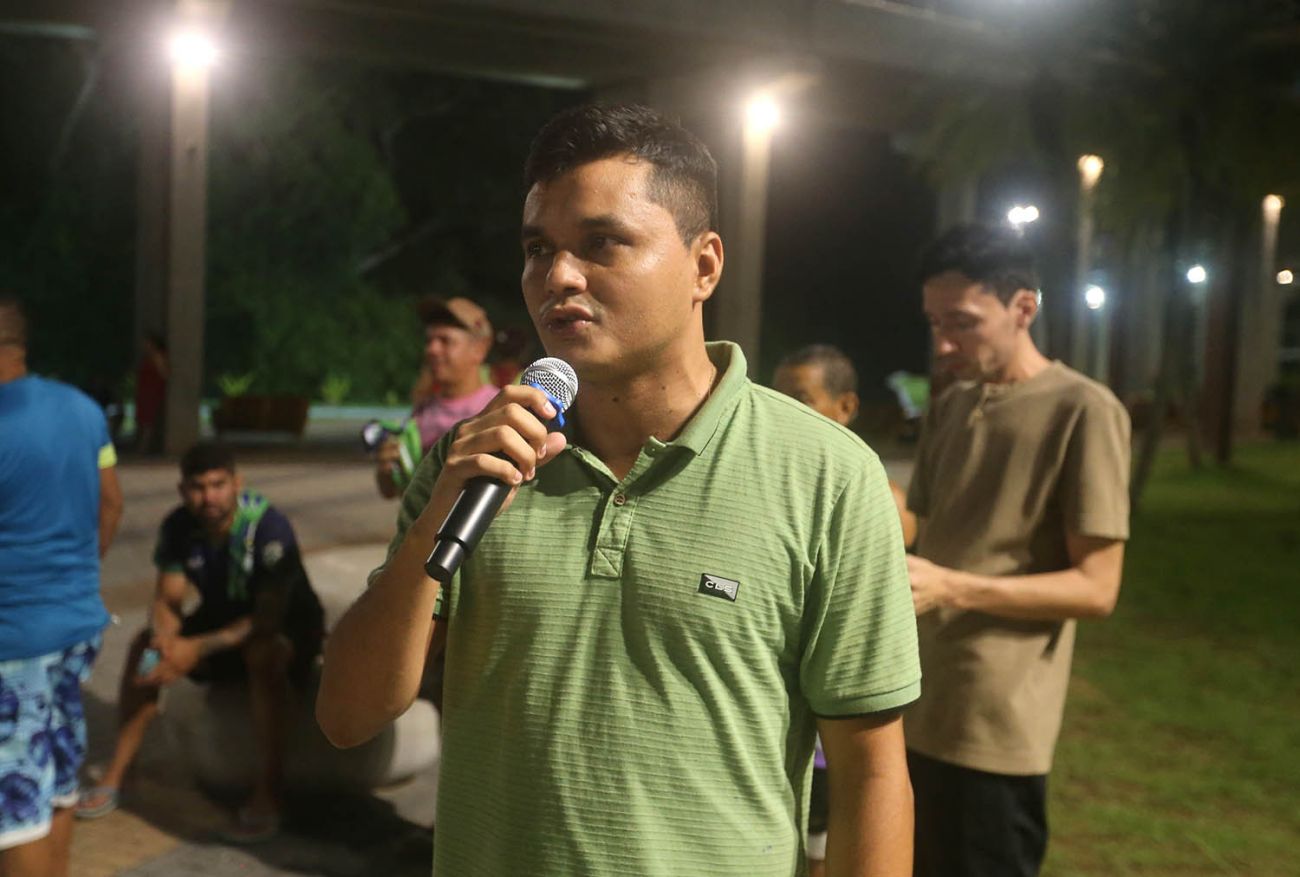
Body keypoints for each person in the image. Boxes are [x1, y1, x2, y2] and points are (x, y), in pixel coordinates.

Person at [319, 103, 921, 877]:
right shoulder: (473, 463)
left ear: (704, 265)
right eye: (538, 249)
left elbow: (872, 774)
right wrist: (433, 521)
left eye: (602, 243)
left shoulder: (830, 477)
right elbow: (348, 715)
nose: (558, 277)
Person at [904, 224, 1131, 877]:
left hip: (994, 730)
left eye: (963, 322)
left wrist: (952, 586)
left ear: (1023, 308)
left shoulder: (1083, 409)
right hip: (912, 704)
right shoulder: (952, 404)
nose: (944, 343)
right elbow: (923, 528)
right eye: (935, 322)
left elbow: (1097, 588)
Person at [76, 442, 324, 844]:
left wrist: (195, 649)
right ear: (182, 490)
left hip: (285, 629)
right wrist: (165, 640)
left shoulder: (268, 528)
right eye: (198, 487)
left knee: (264, 655)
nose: (208, 497)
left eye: (218, 485)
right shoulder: (179, 525)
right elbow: (168, 599)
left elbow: (266, 620)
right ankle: (119, 773)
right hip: (222, 623)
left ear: (237, 483)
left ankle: (269, 791)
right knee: (144, 648)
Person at [772, 343, 918, 877]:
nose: (784, 410)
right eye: (776, 395)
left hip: (837, 738)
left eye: (801, 398)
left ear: (847, 406)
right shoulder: (771, 484)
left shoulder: (873, 495)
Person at [0, 295, 123, 877]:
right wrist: (69, 577)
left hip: (12, 642)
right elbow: (112, 503)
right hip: (75, 630)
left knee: (15, 811)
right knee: (55, 782)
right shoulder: (83, 409)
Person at [376, 296, 498, 499]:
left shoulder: (498, 409)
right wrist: (386, 470)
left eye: (445, 341)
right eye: (429, 340)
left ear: (479, 349)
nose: (432, 350)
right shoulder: (422, 411)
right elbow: (391, 491)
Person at [133, 331, 168, 455]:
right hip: (145, 392)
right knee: (143, 420)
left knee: (148, 421)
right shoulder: (147, 357)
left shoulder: (158, 356)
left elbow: (164, 374)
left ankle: (143, 447)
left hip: (151, 393)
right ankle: (142, 446)